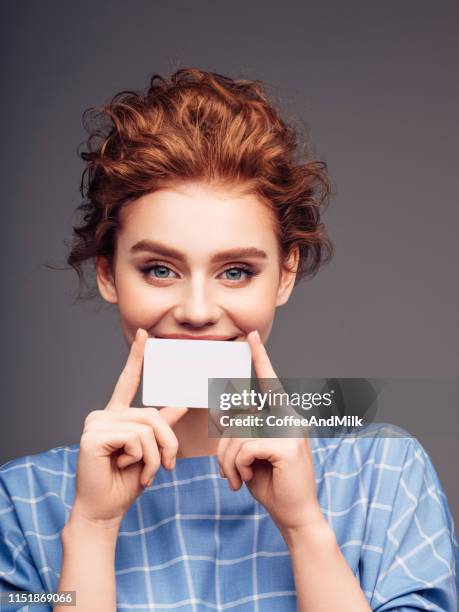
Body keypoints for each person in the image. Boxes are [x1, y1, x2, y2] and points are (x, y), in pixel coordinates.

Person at [0, 67, 458, 612]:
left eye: (236, 271)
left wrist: (305, 527)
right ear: (107, 275)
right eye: (159, 270)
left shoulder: (382, 471)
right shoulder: (23, 502)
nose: (197, 311)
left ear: (284, 275)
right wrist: (93, 530)